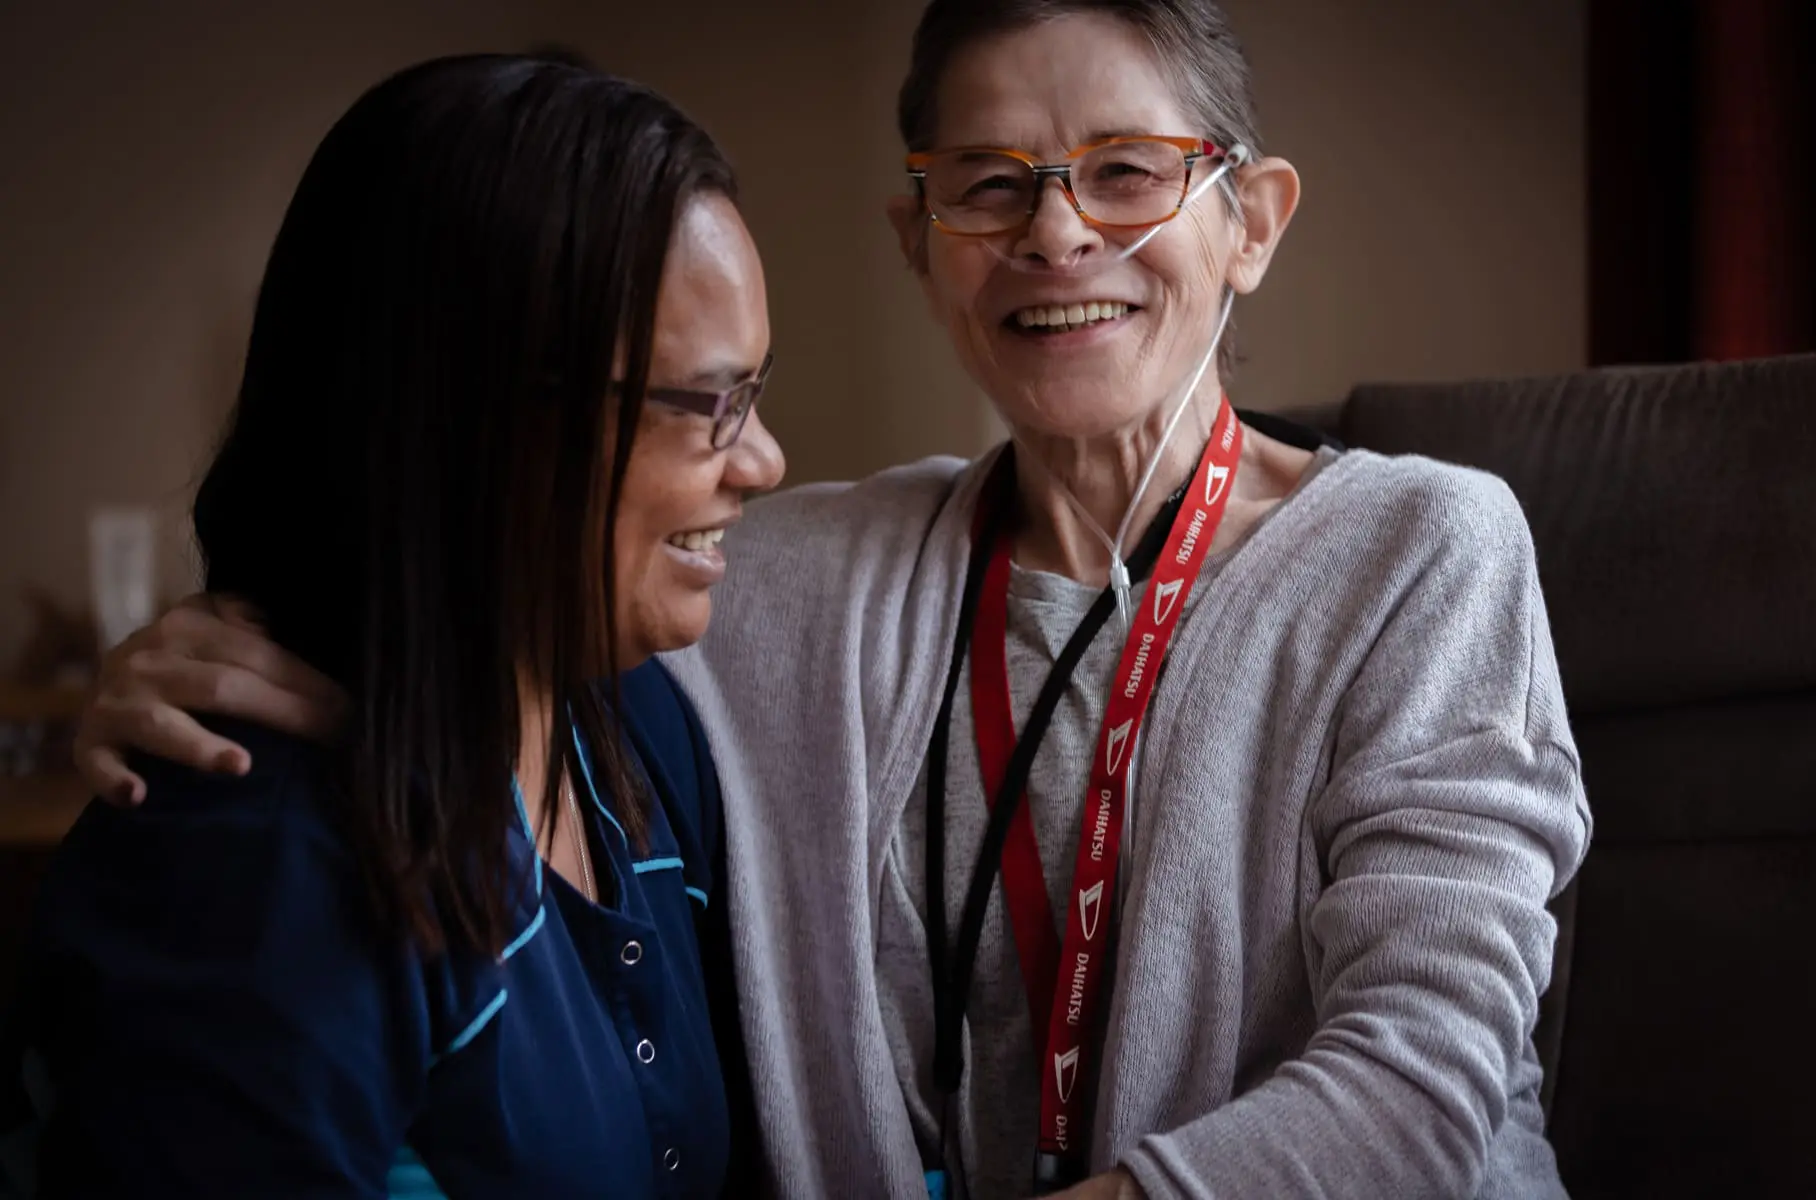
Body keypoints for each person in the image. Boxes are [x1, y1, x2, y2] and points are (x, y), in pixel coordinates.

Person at [65, 2, 1592, 1197]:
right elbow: (490, 571)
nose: (1058, 231)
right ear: (920, 243)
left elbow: (1424, 1075)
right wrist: (233, 638)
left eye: (1128, 172)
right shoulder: (776, 583)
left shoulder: (1422, 552)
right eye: (988, 186)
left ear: (1251, 220)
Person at [3, 54, 784, 1196]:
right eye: (709, 406)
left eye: (753, 395)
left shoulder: (642, 732)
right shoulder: (249, 868)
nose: (763, 463)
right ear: (481, 421)